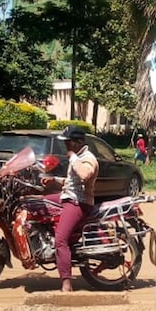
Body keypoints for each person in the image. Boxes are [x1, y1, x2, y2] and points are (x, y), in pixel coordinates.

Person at [49, 125, 98, 292]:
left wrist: (72, 157)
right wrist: (53, 180)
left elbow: (84, 174)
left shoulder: (88, 158)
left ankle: (66, 283)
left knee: (60, 240)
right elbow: (72, 182)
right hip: (67, 196)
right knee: (36, 202)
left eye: (68, 142)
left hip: (79, 202)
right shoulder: (79, 157)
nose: (66, 146)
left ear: (78, 142)